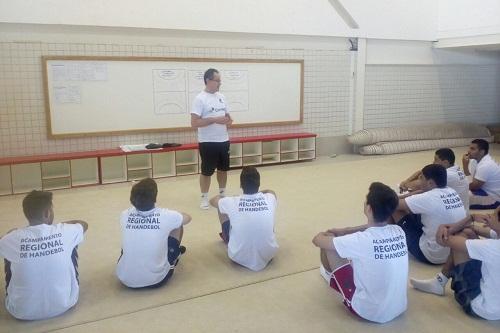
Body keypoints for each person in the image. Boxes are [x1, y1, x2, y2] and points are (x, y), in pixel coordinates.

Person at [312, 182, 407, 323]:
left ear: (368, 208)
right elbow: (372, 229)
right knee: (356, 253)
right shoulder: (398, 231)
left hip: (368, 312)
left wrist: (326, 234)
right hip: (399, 307)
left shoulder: (360, 240)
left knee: (329, 243)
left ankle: (330, 275)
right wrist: (346, 230)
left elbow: (317, 240)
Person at [0, 190, 88, 320]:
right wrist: (59, 227)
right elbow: (83, 224)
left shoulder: (12, 238)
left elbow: (4, 239)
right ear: (47, 213)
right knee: (72, 243)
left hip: (20, 311)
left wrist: (11, 234)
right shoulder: (64, 231)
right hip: (64, 304)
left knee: (9, 251)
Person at [410, 209, 500, 320]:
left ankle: (439, 282)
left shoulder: (492, 246)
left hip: (482, 307)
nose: (489, 215)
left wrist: (443, 226)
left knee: (459, 240)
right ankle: (440, 281)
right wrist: (470, 219)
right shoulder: (496, 238)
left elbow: (443, 239)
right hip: (496, 306)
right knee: (468, 233)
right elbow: (471, 229)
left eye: (493, 215)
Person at [116, 178, 191, 288]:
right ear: (154, 198)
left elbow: (136, 205)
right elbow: (188, 218)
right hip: (156, 280)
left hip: (125, 279)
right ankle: (174, 255)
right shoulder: (166, 216)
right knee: (177, 224)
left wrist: (138, 190)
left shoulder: (124, 215)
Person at [393, 164, 466, 264]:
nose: (419, 181)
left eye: (421, 178)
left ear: (431, 183)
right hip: (452, 252)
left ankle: (386, 236)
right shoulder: (452, 191)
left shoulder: (429, 197)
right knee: (413, 208)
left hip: (432, 255)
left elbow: (392, 204)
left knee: (393, 209)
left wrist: (410, 194)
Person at [209, 166, 278, 271]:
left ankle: (226, 236)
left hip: (238, 256)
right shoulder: (269, 198)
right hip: (269, 253)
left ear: (241, 185)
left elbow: (213, 200)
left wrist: (235, 197)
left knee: (221, 206)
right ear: (258, 184)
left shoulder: (232, 201)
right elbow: (270, 191)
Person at [191, 68, 233, 209]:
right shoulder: (200, 99)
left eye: (220, 81)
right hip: (208, 142)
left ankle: (222, 195)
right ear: (208, 81)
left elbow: (229, 119)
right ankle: (204, 198)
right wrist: (213, 120)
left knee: (223, 170)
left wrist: (226, 120)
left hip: (223, 140)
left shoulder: (222, 97)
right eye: (217, 81)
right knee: (207, 172)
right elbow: (194, 123)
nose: (219, 83)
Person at [399, 148, 469, 212]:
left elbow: (418, 186)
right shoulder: (453, 167)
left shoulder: (448, 175)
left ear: (445, 162)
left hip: (450, 212)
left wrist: (405, 185)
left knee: (400, 209)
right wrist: (406, 181)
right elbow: (421, 172)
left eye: (436, 160)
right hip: (457, 209)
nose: (433, 162)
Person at [462, 139, 500, 209]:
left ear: (482, 152)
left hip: (494, 198)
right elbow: (470, 181)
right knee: (457, 190)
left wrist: (465, 167)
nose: (468, 151)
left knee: (459, 199)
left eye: (472, 149)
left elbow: (472, 186)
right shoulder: (474, 160)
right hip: (482, 190)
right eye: (469, 148)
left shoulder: (486, 165)